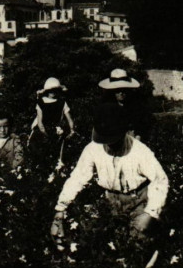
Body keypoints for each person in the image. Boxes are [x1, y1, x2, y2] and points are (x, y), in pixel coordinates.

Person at [50, 101, 169, 243]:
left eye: (113, 139)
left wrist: (150, 213)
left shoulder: (139, 151)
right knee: (101, 240)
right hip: (111, 201)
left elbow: (160, 180)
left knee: (137, 241)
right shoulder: (93, 149)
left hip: (138, 201)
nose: (109, 144)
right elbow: (77, 178)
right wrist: (60, 210)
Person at [98, 68, 144, 140]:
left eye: (124, 90)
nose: (121, 93)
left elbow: (139, 128)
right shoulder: (107, 109)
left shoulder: (135, 108)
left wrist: (137, 139)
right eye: (117, 90)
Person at [30, 77, 75, 143]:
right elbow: (40, 123)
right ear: (47, 91)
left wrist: (72, 131)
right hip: (43, 132)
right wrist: (46, 135)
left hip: (54, 132)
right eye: (51, 90)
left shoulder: (62, 103)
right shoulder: (41, 102)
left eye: (55, 90)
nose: (53, 92)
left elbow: (69, 119)